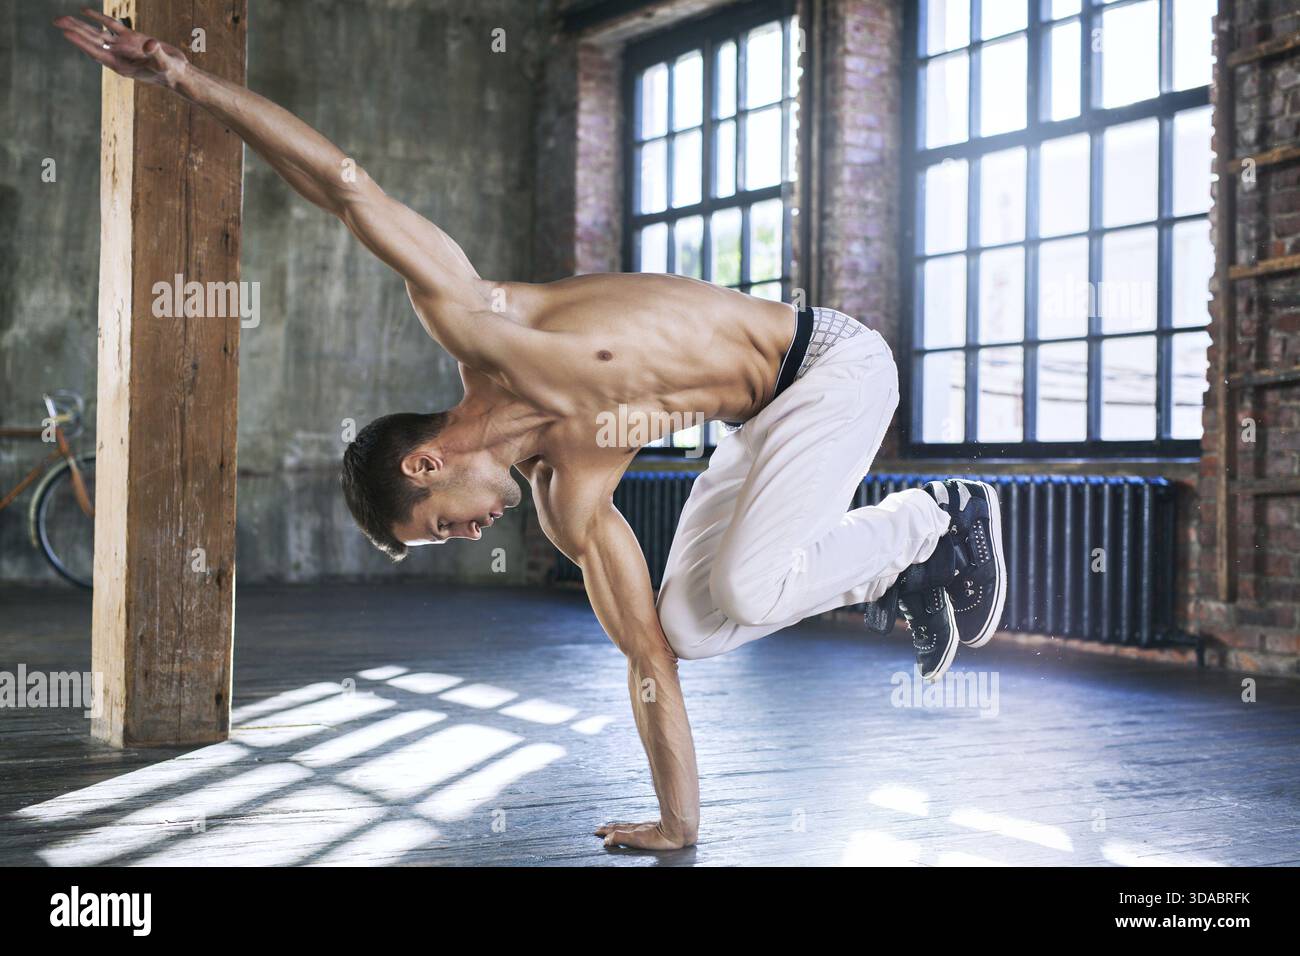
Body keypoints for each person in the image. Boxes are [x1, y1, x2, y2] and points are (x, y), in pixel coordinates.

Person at [56, 9, 1006, 851]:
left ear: (427, 461)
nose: (470, 536)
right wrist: (680, 824)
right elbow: (650, 663)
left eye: (441, 524)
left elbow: (348, 189)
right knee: (689, 625)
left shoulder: (482, 322)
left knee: (752, 586)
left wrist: (182, 75)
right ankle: (908, 563)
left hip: (830, 366)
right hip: (758, 425)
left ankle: (936, 518)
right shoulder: (571, 502)